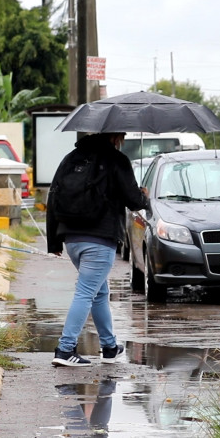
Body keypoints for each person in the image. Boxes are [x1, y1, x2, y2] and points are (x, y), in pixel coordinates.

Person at [47, 132, 150, 367]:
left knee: (99, 291)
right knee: (86, 292)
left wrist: (54, 240)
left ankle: (110, 347)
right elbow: (133, 200)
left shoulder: (70, 158)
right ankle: (65, 350)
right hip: (99, 239)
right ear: (115, 136)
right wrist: (143, 197)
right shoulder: (116, 160)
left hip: (72, 239)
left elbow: (53, 196)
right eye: (121, 135)